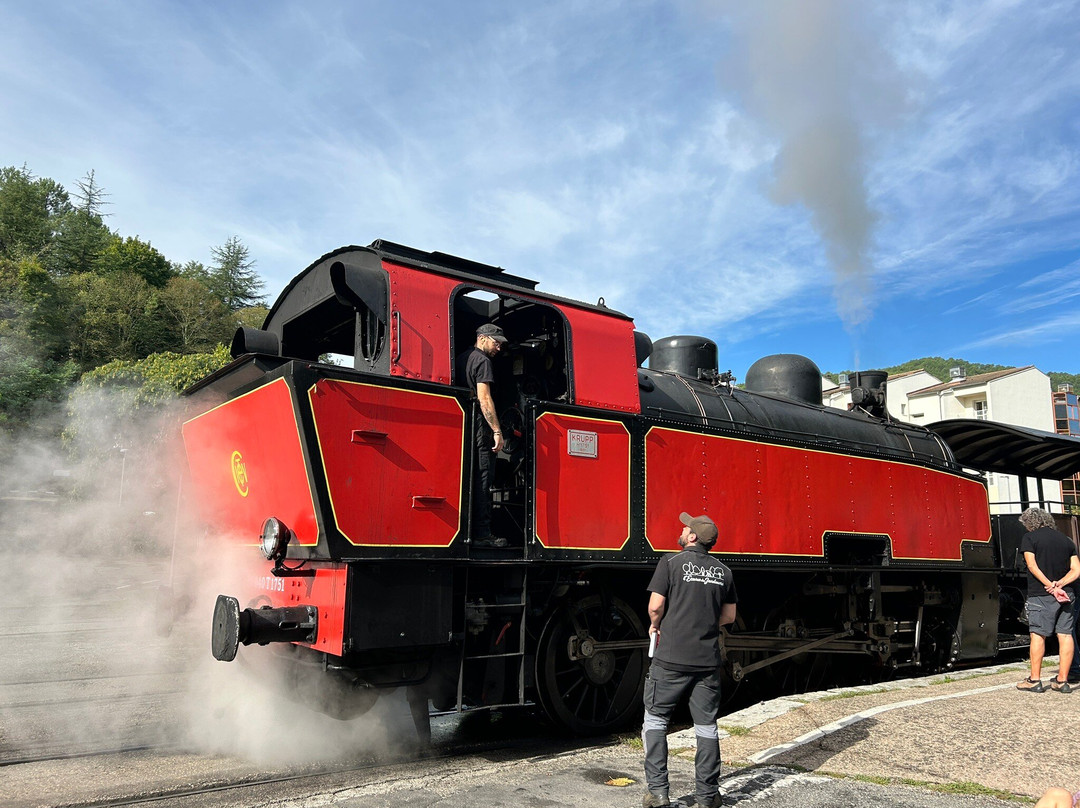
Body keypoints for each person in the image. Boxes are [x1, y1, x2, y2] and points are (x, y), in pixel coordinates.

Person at [642, 512, 738, 808]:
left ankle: (658, 792)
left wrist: (655, 625)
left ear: (692, 537)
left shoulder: (670, 563)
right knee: (706, 725)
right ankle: (707, 795)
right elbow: (729, 616)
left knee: (656, 720)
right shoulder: (724, 572)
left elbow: (656, 606)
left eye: (685, 528)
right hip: (706, 663)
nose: (682, 530)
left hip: (670, 659)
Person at [1016, 507, 1080, 693]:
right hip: (1067, 594)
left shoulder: (1030, 538)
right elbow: (1076, 570)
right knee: (1065, 634)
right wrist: (1060, 584)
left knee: (1038, 634)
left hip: (1041, 594)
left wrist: (1049, 586)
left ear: (1030, 523)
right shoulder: (1066, 540)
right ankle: (1062, 681)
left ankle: (1034, 680)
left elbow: (1032, 565)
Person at [455, 323, 507, 547]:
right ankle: (483, 534)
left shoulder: (461, 358)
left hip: (464, 424)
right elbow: (484, 398)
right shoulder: (483, 361)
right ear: (483, 338)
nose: (499, 347)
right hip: (479, 426)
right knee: (483, 479)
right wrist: (497, 430)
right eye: (496, 342)